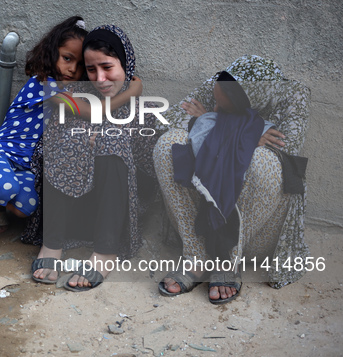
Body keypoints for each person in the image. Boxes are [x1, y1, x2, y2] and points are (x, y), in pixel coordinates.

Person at [154, 55, 310, 303]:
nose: (214, 107)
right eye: (213, 104)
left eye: (222, 108)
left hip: (256, 226)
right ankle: (197, 258)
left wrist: (208, 120)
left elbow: (284, 147)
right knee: (167, 145)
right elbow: (172, 119)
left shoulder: (294, 95)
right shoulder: (223, 81)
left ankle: (228, 262)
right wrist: (243, 133)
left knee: (261, 161)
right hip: (200, 219)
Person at [33, 25, 156, 291]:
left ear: (126, 64)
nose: (100, 78)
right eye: (91, 70)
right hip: (69, 212)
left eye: (107, 67)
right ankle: (51, 245)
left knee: (112, 141)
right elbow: (48, 149)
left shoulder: (145, 110)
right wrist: (83, 145)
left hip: (116, 218)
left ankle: (105, 254)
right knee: (66, 138)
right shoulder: (75, 97)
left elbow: (150, 169)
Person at [0, 16, 88, 244]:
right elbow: (88, 111)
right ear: (52, 52)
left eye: (80, 65)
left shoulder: (69, 89)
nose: (72, 69)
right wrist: (131, 91)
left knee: (26, 208)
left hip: (26, 165)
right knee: (4, 187)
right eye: (67, 58)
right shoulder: (43, 83)